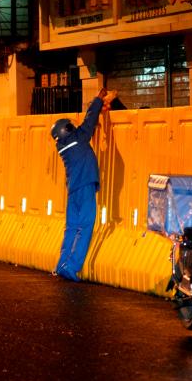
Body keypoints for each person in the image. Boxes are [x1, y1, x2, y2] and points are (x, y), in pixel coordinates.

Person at [50, 87, 118, 281]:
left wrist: (98, 111)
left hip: (73, 189)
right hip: (85, 186)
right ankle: (72, 268)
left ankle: (62, 264)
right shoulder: (77, 139)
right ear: (68, 130)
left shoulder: (63, 145)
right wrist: (98, 99)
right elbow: (89, 121)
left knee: (71, 227)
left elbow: (89, 124)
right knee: (86, 226)